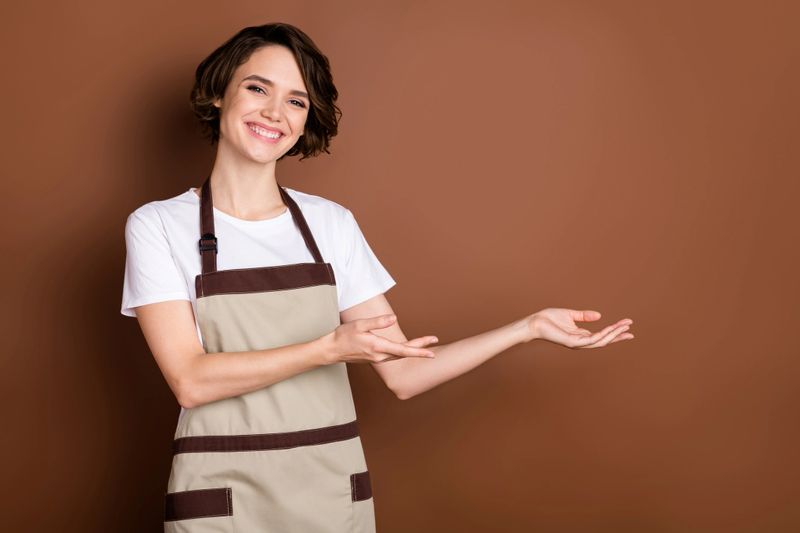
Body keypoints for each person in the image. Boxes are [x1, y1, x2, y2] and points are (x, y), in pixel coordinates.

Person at [120, 22, 634, 533]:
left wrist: (528, 328)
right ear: (218, 96)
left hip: (329, 492)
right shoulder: (159, 225)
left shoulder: (330, 224)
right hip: (221, 497)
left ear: (306, 121)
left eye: (297, 102)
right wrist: (327, 349)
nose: (275, 113)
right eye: (258, 88)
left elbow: (404, 374)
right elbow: (190, 380)